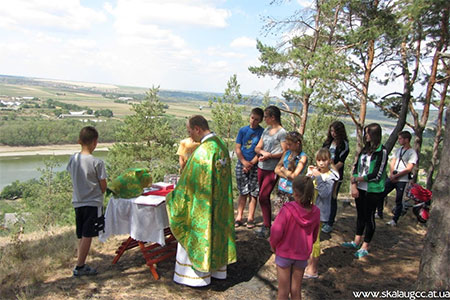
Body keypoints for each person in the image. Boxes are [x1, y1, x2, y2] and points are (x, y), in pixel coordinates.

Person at [166, 115, 236, 287]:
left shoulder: (203, 152)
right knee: (216, 233)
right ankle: (217, 271)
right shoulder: (220, 146)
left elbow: (188, 184)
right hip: (219, 205)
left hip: (203, 207)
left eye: (190, 132)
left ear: (197, 129)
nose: (190, 137)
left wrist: (173, 197)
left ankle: (195, 277)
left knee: (199, 232)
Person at [270, 176, 320, 300]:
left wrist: (273, 245)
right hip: (302, 254)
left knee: (283, 292)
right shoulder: (316, 212)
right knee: (296, 290)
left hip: (284, 253)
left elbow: (276, 231)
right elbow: (315, 235)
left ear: (295, 193)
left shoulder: (287, 209)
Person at [342, 123, 388, 259]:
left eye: (368, 133)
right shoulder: (364, 149)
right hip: (360, 187)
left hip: (373, 189)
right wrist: (354, 182)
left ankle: (365, 246)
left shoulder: (382, 151)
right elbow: (356, 167)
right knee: (360, 214)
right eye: (365, 133)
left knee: (369, 216)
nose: (366, 136)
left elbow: (377, 174)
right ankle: (356, 241)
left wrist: (358, 179)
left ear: (375, 134)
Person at [66, 126, 107, 277]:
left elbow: (72, 175)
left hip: (78, 202)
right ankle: (80, 266)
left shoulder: (73, 159)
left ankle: (80, 260)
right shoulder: (97, 162)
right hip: (92, 202)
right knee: (88, 235)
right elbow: (103, 186)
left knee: (81, 234)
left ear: (79, 141)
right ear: (95, 142)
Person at [304, 148, 339, 278]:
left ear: (329, 161)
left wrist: (318, 177)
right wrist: (309, 175)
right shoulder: (317, 174)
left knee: (315, 240)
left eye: (324, 160)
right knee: (309, 238)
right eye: (319, 160)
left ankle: (313, 269)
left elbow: (325, 194)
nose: (321, 163)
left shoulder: (330, 176)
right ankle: (308, 265)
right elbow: (305, 189)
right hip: (310, 210)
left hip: (320, 212)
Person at [254, 106, 287, 238]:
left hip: (272, 169)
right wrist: (262, 152)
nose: (264, 119)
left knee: (263, 195)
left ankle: (267, 226)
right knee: (262, 197)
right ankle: (266, 225)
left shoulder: (282, 133)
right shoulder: (267, 130)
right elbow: (258, 147)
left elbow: (285, 151)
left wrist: (271, 156)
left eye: (266, 116)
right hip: (261, 166)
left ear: (273, 117)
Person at [377, 131, 418, 225]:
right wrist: (392, 174)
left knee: (398, 200)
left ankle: (394, 220)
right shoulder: (398, 150)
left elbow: (409, 168)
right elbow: (393, 162)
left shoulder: (412, 153)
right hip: (393, 177)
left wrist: (397, 176)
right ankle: (379, 212)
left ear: (406, 140)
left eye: (400, 138)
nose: (399, 140)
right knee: (380, 193)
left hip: (402, 180)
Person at [234, 107, 264, 229]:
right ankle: (239, 216)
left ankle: (250, 217)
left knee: (253, 193)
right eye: (252, 118)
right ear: (249, 117)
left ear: (260, 120)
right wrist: (244, 162)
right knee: (243, 192)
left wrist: (251, 163)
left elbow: (260, 150)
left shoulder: (262, 132)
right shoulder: (243, 130)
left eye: (257, 119)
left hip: (255, 165)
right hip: (242, 164)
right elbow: (237, 148)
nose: (253, 121)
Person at [322, 121, 349, 233]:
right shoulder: (328, 142)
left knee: (332, 198)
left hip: (335, 175)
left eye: (335, 131)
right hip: (324, 172)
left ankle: (330, 222)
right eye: (331, 131)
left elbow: (340, 162)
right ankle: (323, 218)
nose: (333, 133)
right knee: (323, 197)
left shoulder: (344, 144)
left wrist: (331, 170)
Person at [273, 131, 308, 215]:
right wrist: (287, 175)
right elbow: (277, 169)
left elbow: (294, 176)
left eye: (290, 144)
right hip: (282, 188)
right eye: (287, 144)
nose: (288, 146)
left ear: (297, 144)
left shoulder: (302, 157)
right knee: (279, 213)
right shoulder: (286, 153)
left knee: (292, 214)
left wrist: (283, 170)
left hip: (294, 190)